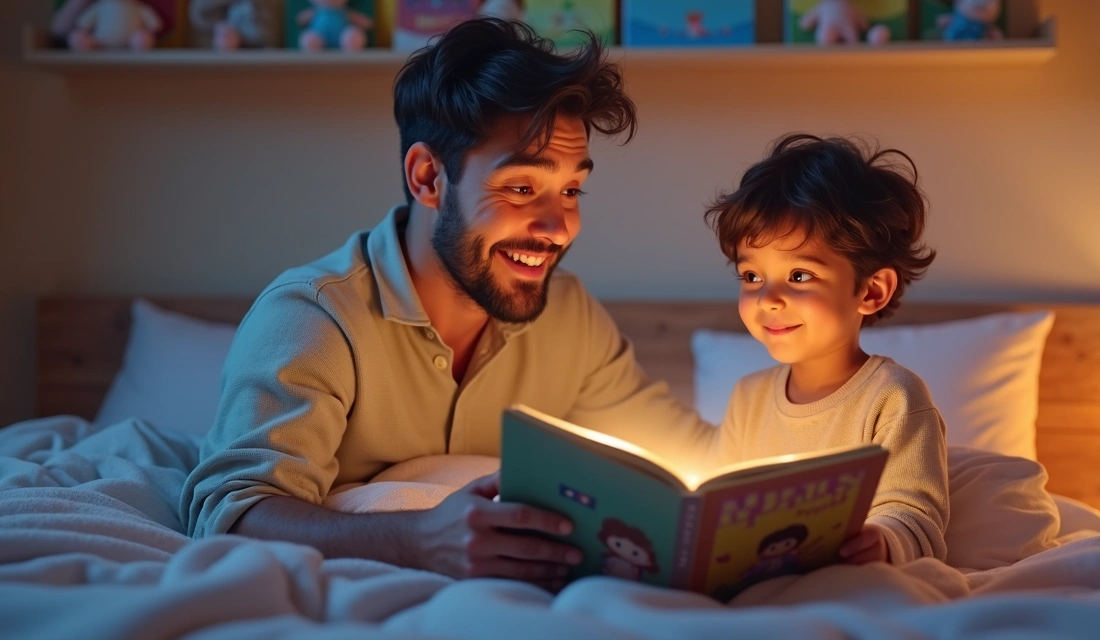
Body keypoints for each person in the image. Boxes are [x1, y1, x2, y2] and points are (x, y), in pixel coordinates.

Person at [180, 18, 715, 590]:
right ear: (429, 177)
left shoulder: (569, 317)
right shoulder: (316, 318)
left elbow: (688, 457)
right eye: (521, 188)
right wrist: (418, 539)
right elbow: (231, 515)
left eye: (571, 190)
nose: (560, 228)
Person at [705, 134, 949, 566]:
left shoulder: (895, 397)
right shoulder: (748, 397)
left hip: (850, 579)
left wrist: (882, 539)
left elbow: (914, 513)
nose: (768, 299)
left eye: (799, 276)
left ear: (872, 290)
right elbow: (716, 504)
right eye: (752, 276)